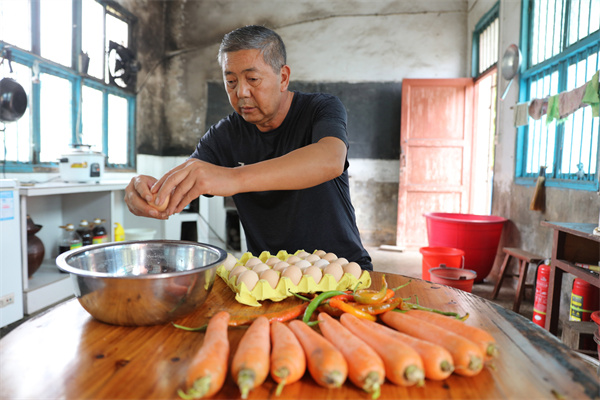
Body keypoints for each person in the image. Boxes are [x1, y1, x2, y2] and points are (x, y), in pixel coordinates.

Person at [124, 25, 373, 270]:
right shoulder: (224, 135)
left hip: (341, 267)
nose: (241, 92)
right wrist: (150, 193)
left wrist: (234, 178)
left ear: (283, 78)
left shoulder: (320, 109)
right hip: (269, 275)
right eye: (231, 81)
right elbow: (186, 182)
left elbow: (330, 159)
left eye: (253, 79)